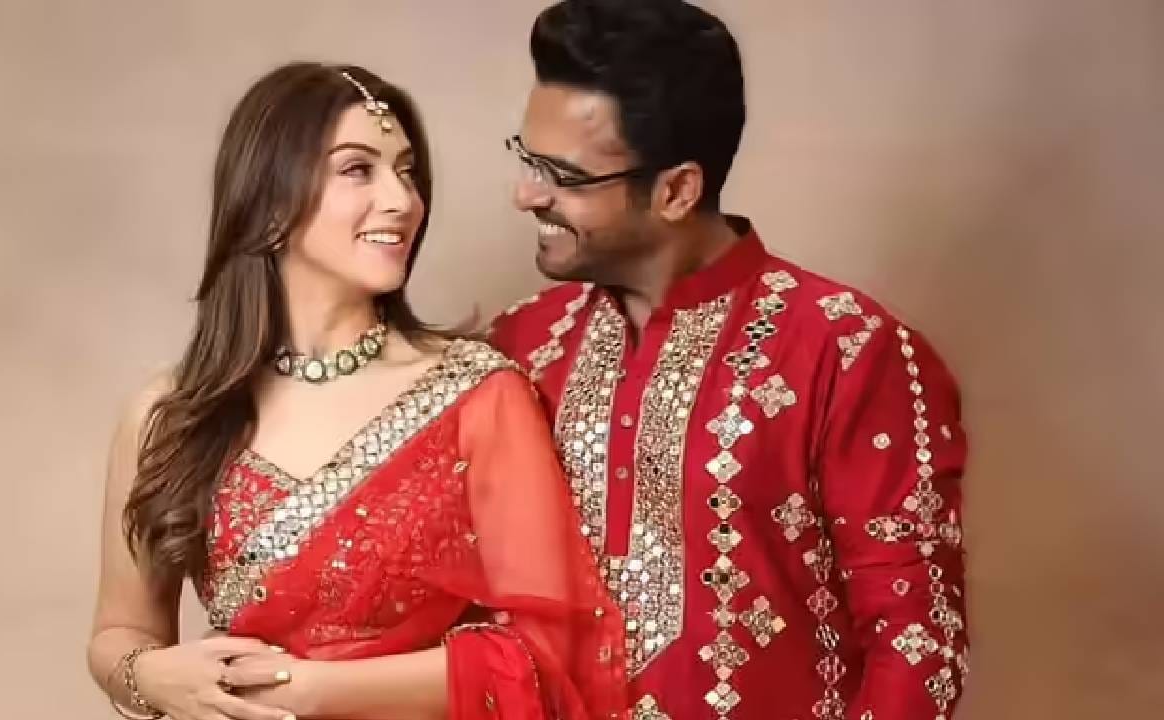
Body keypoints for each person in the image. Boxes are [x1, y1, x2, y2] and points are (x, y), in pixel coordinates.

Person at [88, 62, 626, 720]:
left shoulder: (476, 394)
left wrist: (311, 689)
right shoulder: (171, 414)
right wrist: (149, 675)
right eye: (357, 169)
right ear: (270, 204)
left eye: (406, 171)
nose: (403, 200)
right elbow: (121, 632)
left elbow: (549, 650)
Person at [490, 2, 970, 719]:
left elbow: (916, 641)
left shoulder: (847, 351)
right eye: (529, 161)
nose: (526, 194)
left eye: (562, 175)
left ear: (677, 190)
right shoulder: (522, 344)